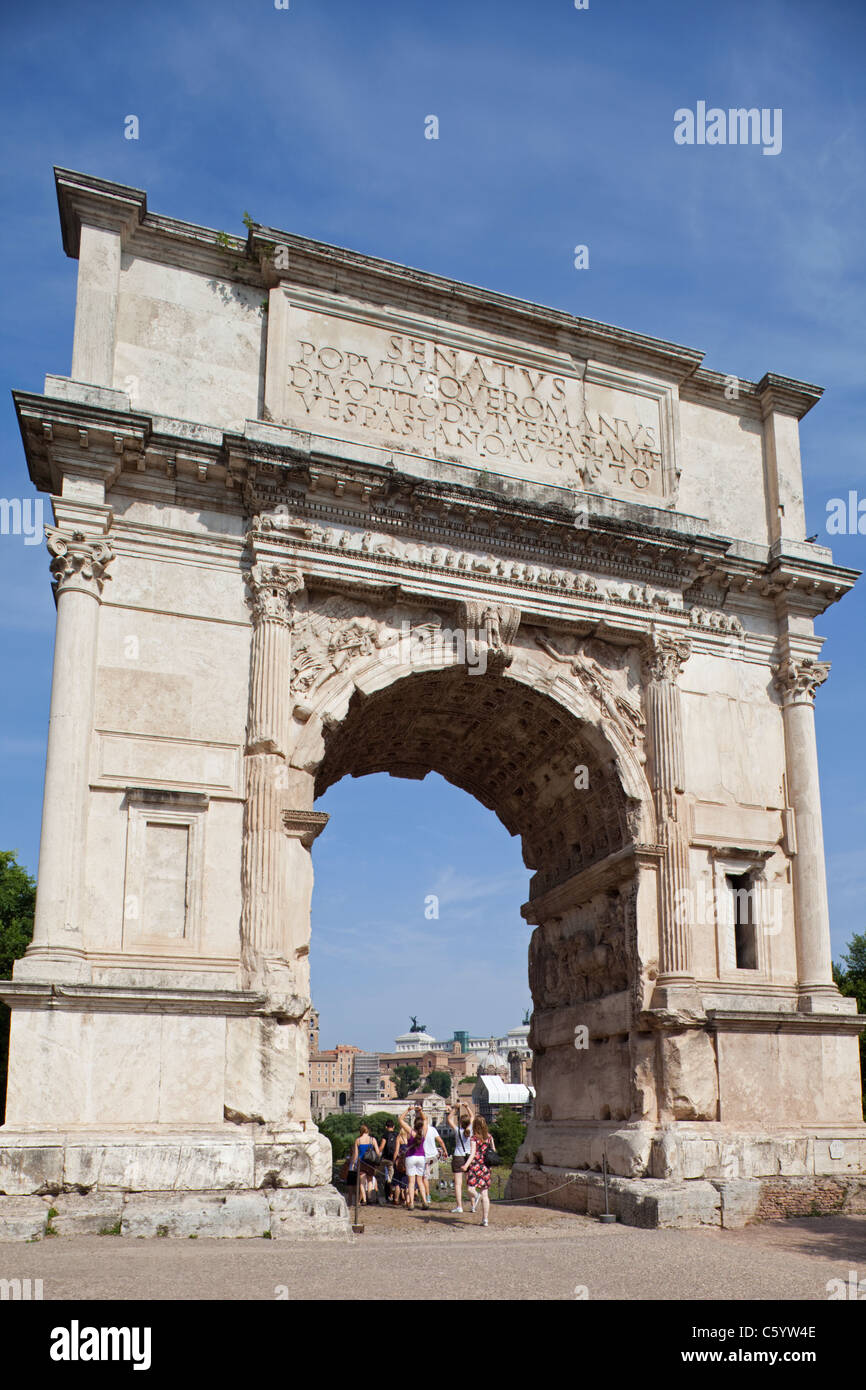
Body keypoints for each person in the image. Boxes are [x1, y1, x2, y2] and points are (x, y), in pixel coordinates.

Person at [464, 1114, 496, 1227]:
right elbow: (493, 1151)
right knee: (485, 1194)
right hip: (486, 1166)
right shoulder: (490, 1137)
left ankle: (476, 1196)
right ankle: (485, 1219)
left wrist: (465, 1165)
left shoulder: (474, 1138)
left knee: (470, 1188)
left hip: (476, 1165)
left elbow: (472, 1154)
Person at [397, 1107, 430, 1210]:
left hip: (410, 1157)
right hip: (421, 1157)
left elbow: (400, 1120)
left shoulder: (410, 1131)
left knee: (411, 1182)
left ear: (414, 1124)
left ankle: (411, 1203)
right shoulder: (424, 1132)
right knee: (420, 1181)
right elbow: (425, 1120)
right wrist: (420, 1111)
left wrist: (408, 1110)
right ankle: (424, 1201)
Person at [447, 1101, 475, 1213]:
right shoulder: (471, 1130)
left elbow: (449, 1119)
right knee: (470, 1182)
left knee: (458, 1184)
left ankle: (459, 1206)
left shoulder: (458, 1131)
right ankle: (473, 1205)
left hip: (458, 1156)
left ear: (460, 1123)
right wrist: (467, 1107)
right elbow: (472, 1116)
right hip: (469, 1157)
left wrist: (455, 1108)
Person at [417, 1103, 448, 1190]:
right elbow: (441, 1142)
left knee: (423, 1177)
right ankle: (428, 1193)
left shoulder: (418, 1131)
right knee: (426, 1176)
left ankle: (425, 1193)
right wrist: (445, 1151)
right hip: (433, 1155)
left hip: (424, 1156)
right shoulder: (433, 1129)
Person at [350, 1122, 381, 1206]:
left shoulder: (358, 1140)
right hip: (371, 1162)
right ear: (368, 1131)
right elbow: (378, 1152)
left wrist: (353, 1163)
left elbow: (356, 1154)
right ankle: (370, 1196)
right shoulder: (372, 1139)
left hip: (362, 1162)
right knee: (370, 1180)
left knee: (362, 1182)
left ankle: (364, 1199)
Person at [380, 1117, 398, 1199]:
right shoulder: (397, 1134)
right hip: (393, 1159)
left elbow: (382, 1147)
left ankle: (385, 1194)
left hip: (385, 1158)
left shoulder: (385, 1134)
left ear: (386, 1127)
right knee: (392, 1177)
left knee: (382, 1176)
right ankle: (393, 1195)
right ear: (393, 1126)